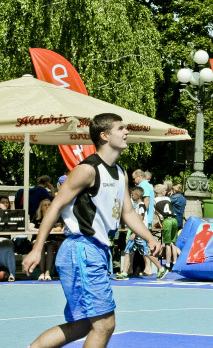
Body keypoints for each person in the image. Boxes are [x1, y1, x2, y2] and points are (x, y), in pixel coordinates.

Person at [22, 113, 161, 348]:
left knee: (84, 324)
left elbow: (127, 213)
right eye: (121, 128)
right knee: (104, 324)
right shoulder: (87, 170)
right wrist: (37, 249)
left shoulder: (120, 172)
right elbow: (55, 206)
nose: (127, 132)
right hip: (81, 250)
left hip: (94, 251)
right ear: (104, 135)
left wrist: (149, 237)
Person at [116, 186, 161, 280]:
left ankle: (161, 268)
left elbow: (139, 220)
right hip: (136, 234)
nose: (131, 196)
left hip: (138, 234)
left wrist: (134, 233)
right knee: (128, 251)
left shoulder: (140, 206)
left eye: (132, 194)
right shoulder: (137, 206)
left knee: (145, 252)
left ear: (137, 195)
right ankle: (125, 272)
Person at [30, 198, 64, 281]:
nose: (47, 206)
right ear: (41, 207)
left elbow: (58, 228)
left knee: (51, 245)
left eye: (49, 205)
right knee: (40, 246)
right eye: (45, 205)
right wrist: (43, 230)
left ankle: (47, 272)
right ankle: (42, 272)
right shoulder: (37, 216)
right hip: (38, 240)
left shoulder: (55, 216)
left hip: (51, 240)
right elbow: (30, 227)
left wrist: (53, 229)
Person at [153, 184, 177, 276]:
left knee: (167, 244)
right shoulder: (168, 199)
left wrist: (160, 224)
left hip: (166, 221)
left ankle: (167, 264)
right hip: (174, 219)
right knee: (173, 243)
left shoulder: (155, 201)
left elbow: (158, 215)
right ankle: (175, 262)